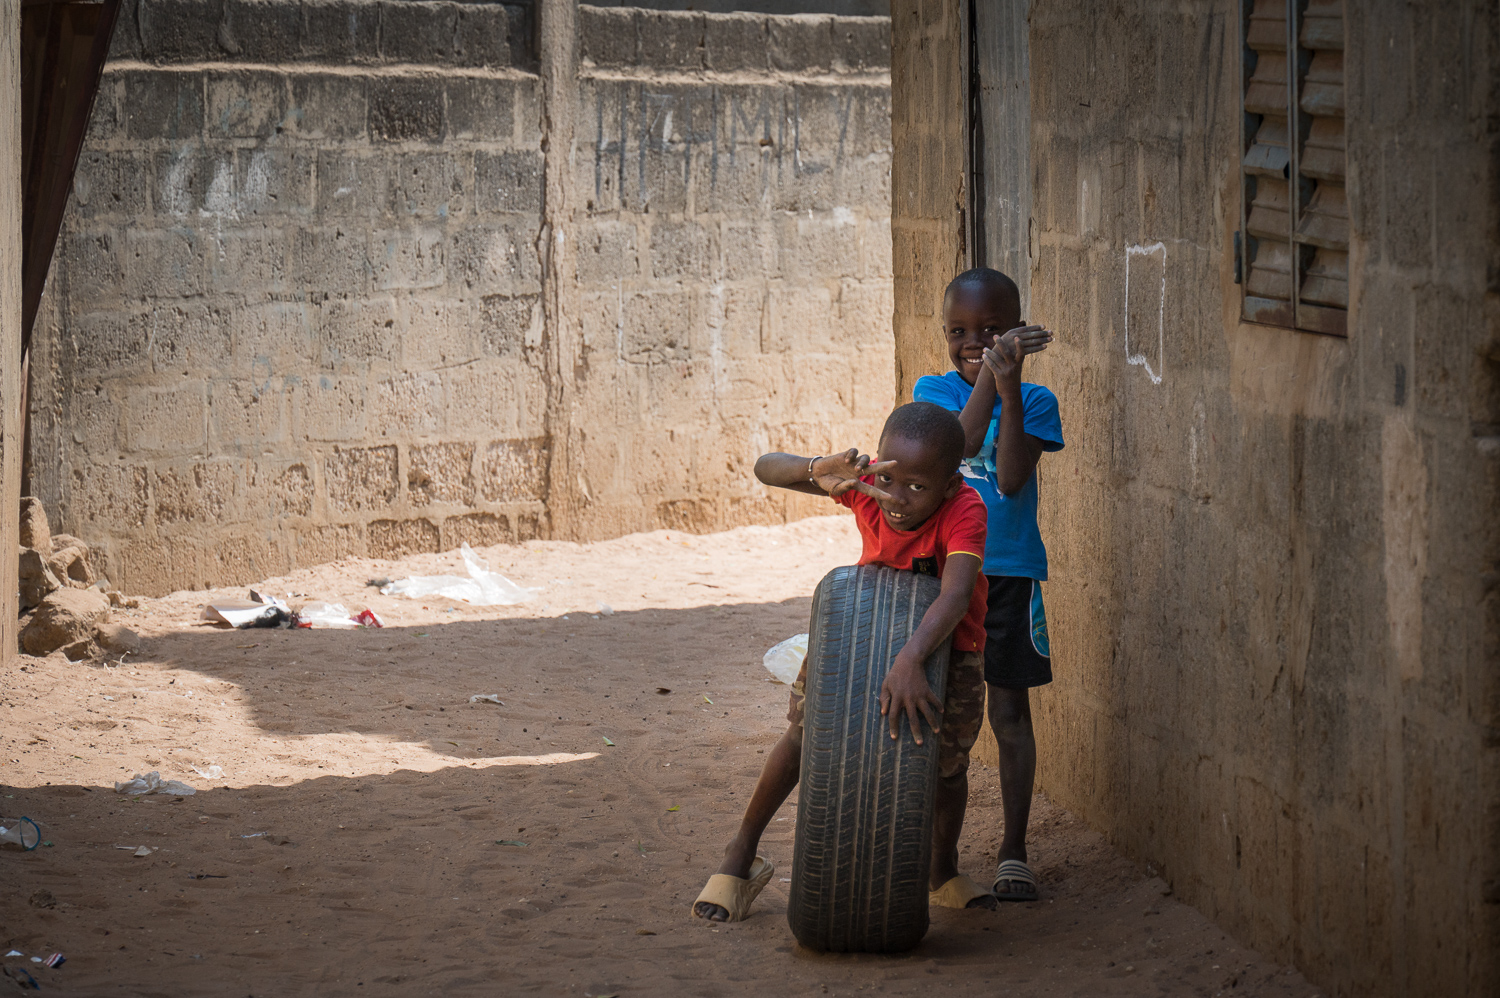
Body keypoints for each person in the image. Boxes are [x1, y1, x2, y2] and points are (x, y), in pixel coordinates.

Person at [691, 401, 997, 921]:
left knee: (948, 763)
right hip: (855, 634)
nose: (897, 500)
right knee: (805, 735)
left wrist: (910, 658)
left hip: (949, 646)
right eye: (890, 479)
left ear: (948, 487)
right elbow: (767, 467)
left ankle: (941, 869)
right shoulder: (867, 489)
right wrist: (818, 470)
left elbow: (957, 594)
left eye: (918, 488)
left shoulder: (965, 508)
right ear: (877, 465)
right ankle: (739, 855)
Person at [912, 267, 1063, 903]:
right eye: (960, 331)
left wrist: (1010, 384)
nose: (974, 342)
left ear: (1018, 330)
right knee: (938, 718)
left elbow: (1005, 479)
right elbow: (959, 445)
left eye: (992, 330)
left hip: (1008, 578)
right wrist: (989, 382)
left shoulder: (1035, 402)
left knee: (1008, 711)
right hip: (946, 576)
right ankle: (936, 856)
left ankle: (1013, 849)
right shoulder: (931, 393)